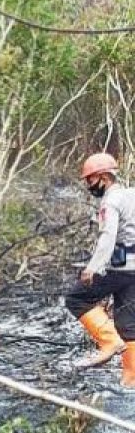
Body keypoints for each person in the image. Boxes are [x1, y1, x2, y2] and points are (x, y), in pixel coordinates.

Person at [66, 152, 135, 385]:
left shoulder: (111, 201)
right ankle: (130, 381)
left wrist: (93, 267)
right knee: (128, 324)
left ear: (104, 177)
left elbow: (108, 236)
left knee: (76, 298)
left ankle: (108, 342)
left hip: (121, 268)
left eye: (90, 180)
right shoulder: (131, 195)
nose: (89, 185)